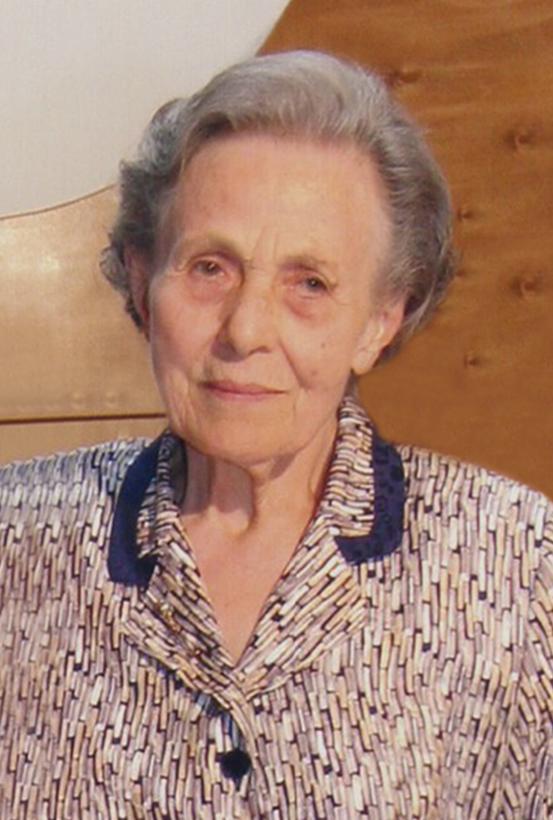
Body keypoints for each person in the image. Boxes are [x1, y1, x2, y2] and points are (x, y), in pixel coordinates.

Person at [1, 50, 551, 819]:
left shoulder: (518, 569)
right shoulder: (16, 544)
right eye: (210, 268)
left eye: (309, 284)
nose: (246, 330)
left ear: (380, 319)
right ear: (142, 283)